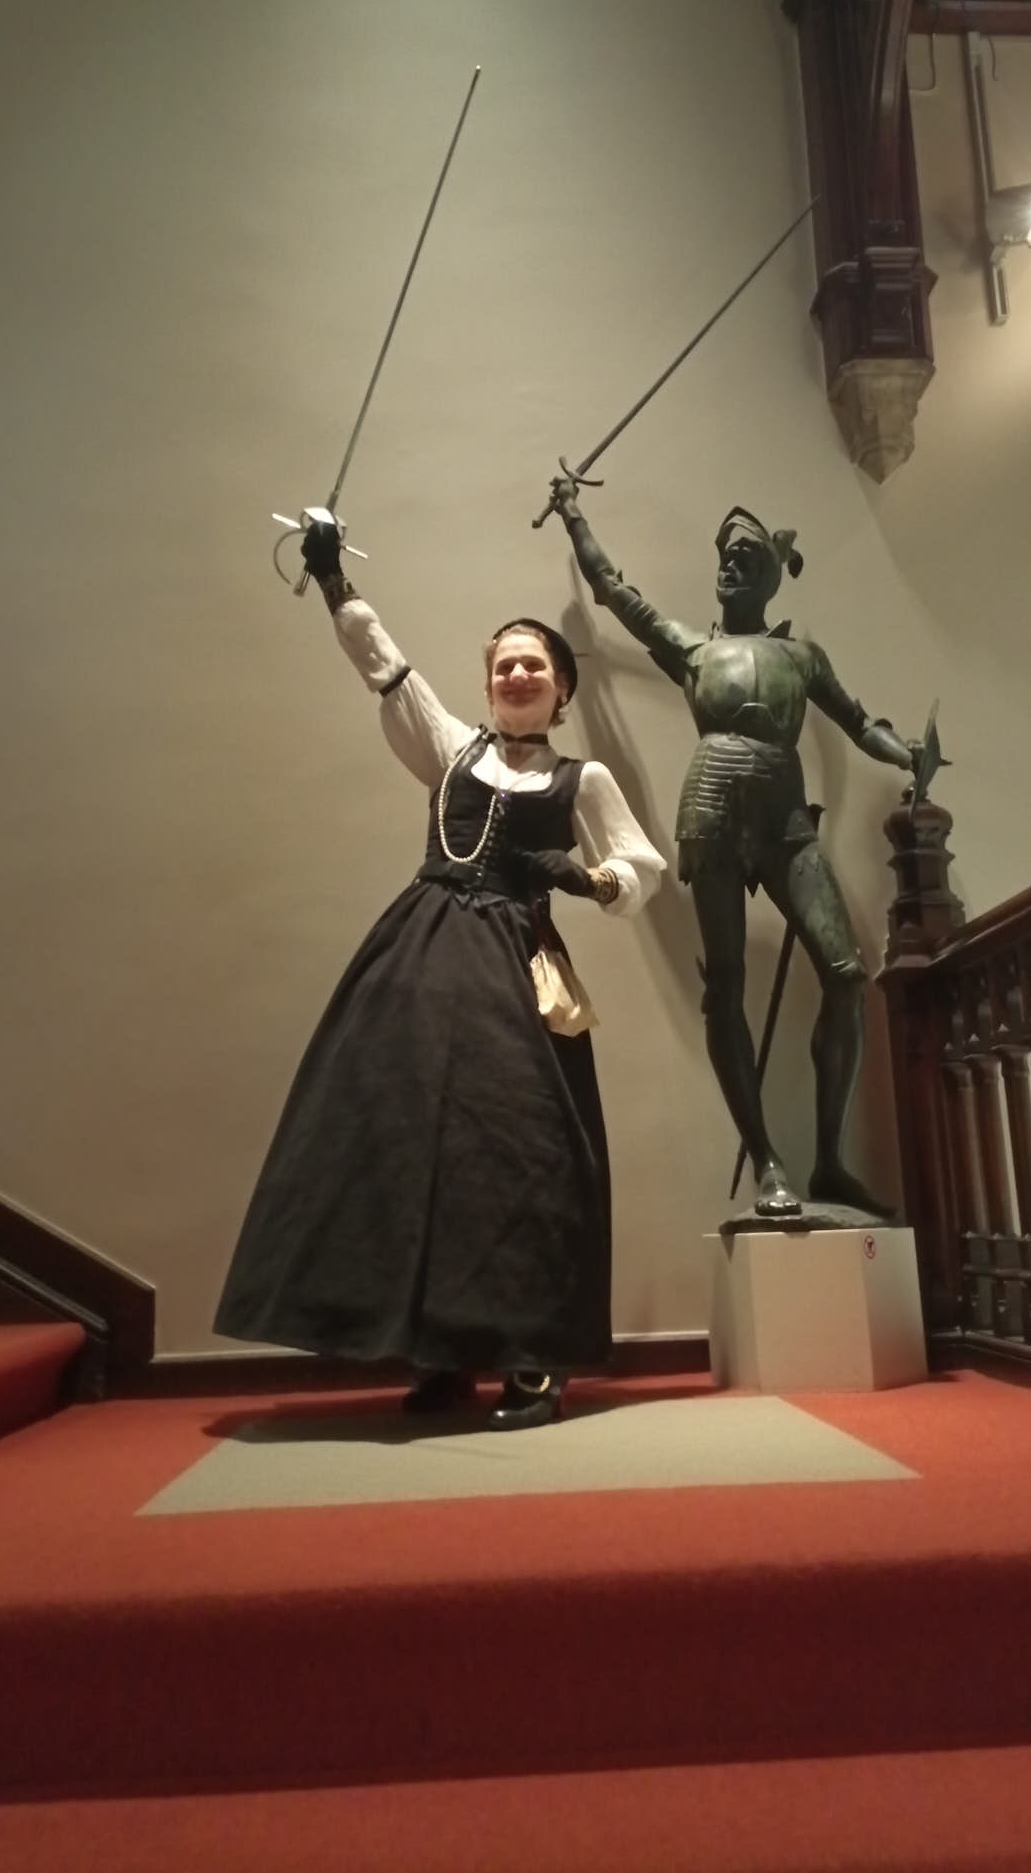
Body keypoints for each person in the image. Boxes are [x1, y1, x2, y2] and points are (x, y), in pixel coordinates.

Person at [215, 517, 665, 1428]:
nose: (517, 673)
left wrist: (589, 879)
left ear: (562, 689)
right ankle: (441, 1353)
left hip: (514, 963)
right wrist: (333, 579)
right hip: (419, 956)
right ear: (489, 682)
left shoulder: (583, 779)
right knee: (409, 1141)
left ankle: (532, 1358)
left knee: (522, 1152)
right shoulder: (451, 747)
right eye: (504, 664)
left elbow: (640, 866)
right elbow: (387, 668)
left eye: (534, 664)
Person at [541, 474, 920, 1222]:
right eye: (725, 556)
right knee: (725, 987)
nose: (730, 565)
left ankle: (828, 1162)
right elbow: (613, 588)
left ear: (772, 576)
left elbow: (858, 723)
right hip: (712, 806)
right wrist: (573, 512)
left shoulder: (801, 658)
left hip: (785, 814)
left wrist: (907, 755)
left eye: (746, 557)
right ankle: (768, 1160)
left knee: (845, 976)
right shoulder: (691, 648)